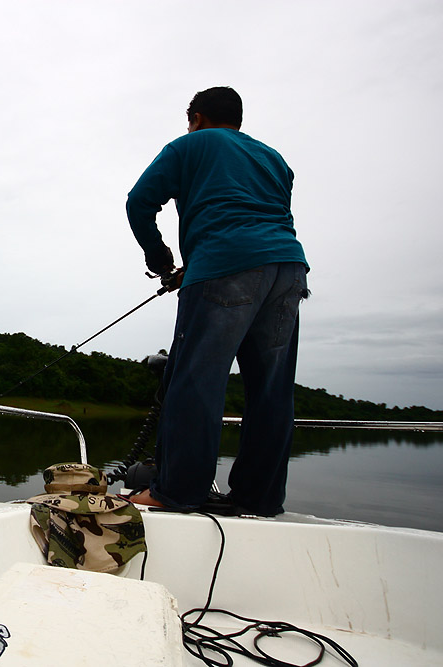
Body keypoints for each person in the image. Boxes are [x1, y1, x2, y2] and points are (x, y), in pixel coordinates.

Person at [124, 86, 309, 517]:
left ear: (198, 116)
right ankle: (258, 499)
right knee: (272, 392)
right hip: (288, 269)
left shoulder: (191, 144)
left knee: (195, 381)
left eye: (190, 118)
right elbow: (257, 216)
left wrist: (161, 257)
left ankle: (176, 491)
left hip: (223, 266)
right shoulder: (275, 159)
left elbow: (139, 203)